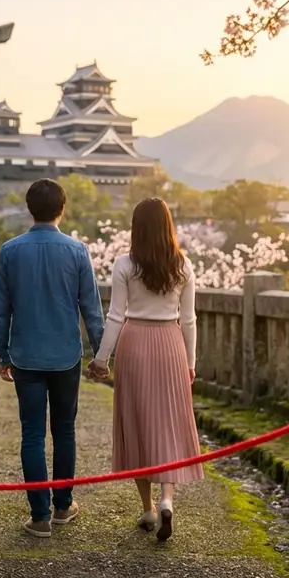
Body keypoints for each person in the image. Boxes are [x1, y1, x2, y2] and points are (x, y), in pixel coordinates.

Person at [0, 179, 105, 539]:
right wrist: (101, 354)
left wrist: (2, 353)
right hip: (66, 355)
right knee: (64, 430)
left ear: (29, 208)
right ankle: (63, 506)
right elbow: (91, 308)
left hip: (25, 355)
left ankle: (39, 516)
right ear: (62, 208)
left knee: (32, 433)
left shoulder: (10, 251)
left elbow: (1, 311)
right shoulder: (77, 250)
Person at [88, 197, 203, 543]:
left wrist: (101, 358)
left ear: (136, 228)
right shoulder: (183, 265)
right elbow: (189, 320)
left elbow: (115, 315)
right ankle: (167, 498)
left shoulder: (125, 264)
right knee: (169, 423)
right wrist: (190, 363)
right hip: (170, 344)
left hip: (134, 343)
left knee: (137, 422)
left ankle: (148, 507)